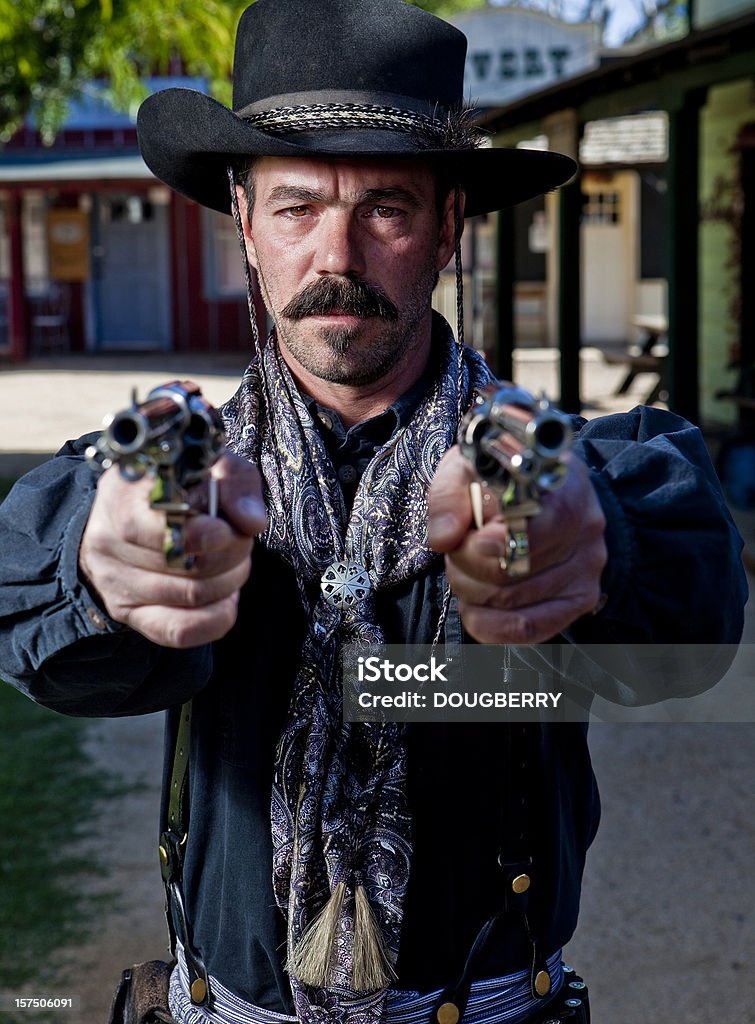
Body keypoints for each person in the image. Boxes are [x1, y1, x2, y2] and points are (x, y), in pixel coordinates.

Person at [0, 2, 747, 1023]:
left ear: (447, 226)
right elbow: (50, 636)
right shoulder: (189, 470)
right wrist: (101, 566)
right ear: (244, 221)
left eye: (385, 207)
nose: (336, 256)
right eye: (298, 207)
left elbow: (694, 631)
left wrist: (597, 541)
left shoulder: (545, 471)